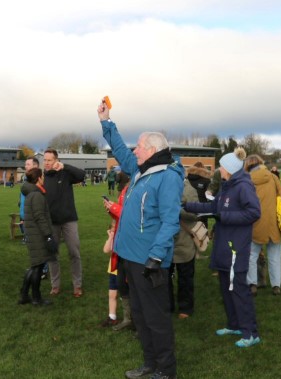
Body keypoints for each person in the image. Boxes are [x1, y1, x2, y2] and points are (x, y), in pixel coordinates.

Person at [99, 100, 183, 379]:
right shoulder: (141, 169)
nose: (135, 151)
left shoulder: (167, 176)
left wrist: (156, 256)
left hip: (150, 260)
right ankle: (150, 363)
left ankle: (166, 369)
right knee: (140, 314)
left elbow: (171, 221)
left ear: (153, 151)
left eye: (140, 147)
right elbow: (122, 152)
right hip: (129, 257)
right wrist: (107, 123)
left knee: (156, 318)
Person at [186, 147, 262, 348]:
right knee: (226, 288)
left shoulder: (244, 186)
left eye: (222, 166)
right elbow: (213, 208)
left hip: (236, 247)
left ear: (229, 168)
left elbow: (254, 212)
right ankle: (235, 325)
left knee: (238, 289)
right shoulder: (227, 186)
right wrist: (187, 206)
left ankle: (250, 333)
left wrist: (224, 217)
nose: (219, 169)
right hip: (224, 246)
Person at [42, 148, 86, 297]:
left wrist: (65, 166)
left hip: (69, 220)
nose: (46, 163)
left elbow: (82, 175)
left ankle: (77, 285)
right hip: (51, 222)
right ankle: (55, 286)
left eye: (49, 160)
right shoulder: (42, 177)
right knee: (52, 255)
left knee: (74, 252)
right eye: (45, 160)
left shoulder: (65, 173)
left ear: (56, 160)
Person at [245, 155, 281, 296]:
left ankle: (253, 284)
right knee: (274, 256)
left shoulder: (246, 180)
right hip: (273, 223)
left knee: (251, 256)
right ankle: (276, 286)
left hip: (254, 223)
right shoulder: (273, 177)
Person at [18, 168, 57, 307]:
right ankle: (36, 298)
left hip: (33, 234)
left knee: (35, 265)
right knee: (38, 267)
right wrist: (48, 236)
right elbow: (40, 217)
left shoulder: (31, 193)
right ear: (39, 178)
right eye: (42, 177)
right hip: (38, 235)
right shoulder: (36, 195)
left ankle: (24, 295)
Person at [103, 184, 133, 331]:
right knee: (119, 290)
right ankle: (125, 318)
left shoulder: (136, 187)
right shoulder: (128, 187)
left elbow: (131, 215)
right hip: (117, 261)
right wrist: (112, 210)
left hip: (130, 254)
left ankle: (134, 320)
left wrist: (115, 208)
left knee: (131, 290)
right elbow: (106, 250)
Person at [169, 174, 199, 319]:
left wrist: (175, 209)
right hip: (166, 241)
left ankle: (185, 307)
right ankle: (167, 305)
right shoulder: (163, 187)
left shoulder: (189, 189)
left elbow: (194, 214)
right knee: (164, 277)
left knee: (185, 277)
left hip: (184, 240)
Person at [19, 157, 40, 237]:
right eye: (25, 164)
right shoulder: (26, 181)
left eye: (28, 164)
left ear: (35, 166)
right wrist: (22, 218)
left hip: (35, 220)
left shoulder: (40, 182)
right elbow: (22, 201)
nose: (25, 166)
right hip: (26, 218)